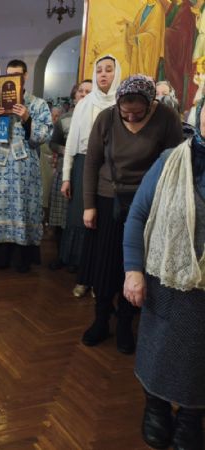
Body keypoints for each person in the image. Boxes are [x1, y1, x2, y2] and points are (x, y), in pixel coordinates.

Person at [123, 99, 205, 450]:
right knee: (157, 350)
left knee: (199, 357)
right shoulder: (169, 161)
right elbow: (137, 216)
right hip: (165, 282)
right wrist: (133, 271)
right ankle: (155, 408)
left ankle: (190, 417)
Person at [81, 75, 183, 354]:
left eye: (138, 113)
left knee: (133, 265)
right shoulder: (106, 117)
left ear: (151, 104)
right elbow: (92, 162)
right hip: (107, 198)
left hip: (146, 202)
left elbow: (174, 162)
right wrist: (89, 204)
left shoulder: (167, 118)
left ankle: (126, 323)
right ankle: (101, 320)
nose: (131, 118)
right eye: (125, 112)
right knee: (105, 264)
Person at [0, 59, 54, 273]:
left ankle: (21, 259)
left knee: (23, 207)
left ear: (25, 76)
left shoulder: (38, 104)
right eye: (9, 74)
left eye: (17, 74)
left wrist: (28, 118)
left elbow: (45, 134)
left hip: (24, 166)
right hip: (0, 166)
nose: (13, 78)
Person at [61, 56, 121, 297]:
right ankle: (83, 278)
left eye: (108, 70)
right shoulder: (84, 104)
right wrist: (66, 176)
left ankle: (99, 280)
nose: (103, 74)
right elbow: (71, 143)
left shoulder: (121, 103)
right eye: (99, 70)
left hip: (111, 168)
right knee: (83, 223)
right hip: (83, 165)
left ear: (117, 73)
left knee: (104, 225)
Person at [48, 81, 93, 272]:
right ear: (74, 95)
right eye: (80, 91)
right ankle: (61, 256)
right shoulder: (65, 119)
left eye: (88, 91)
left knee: (80, 219)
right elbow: (52, 143)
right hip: (64, 173)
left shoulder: (99, 117)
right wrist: (66, 150)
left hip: (86, 174)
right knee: (61, 218)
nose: (83, 94)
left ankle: (77, 259)